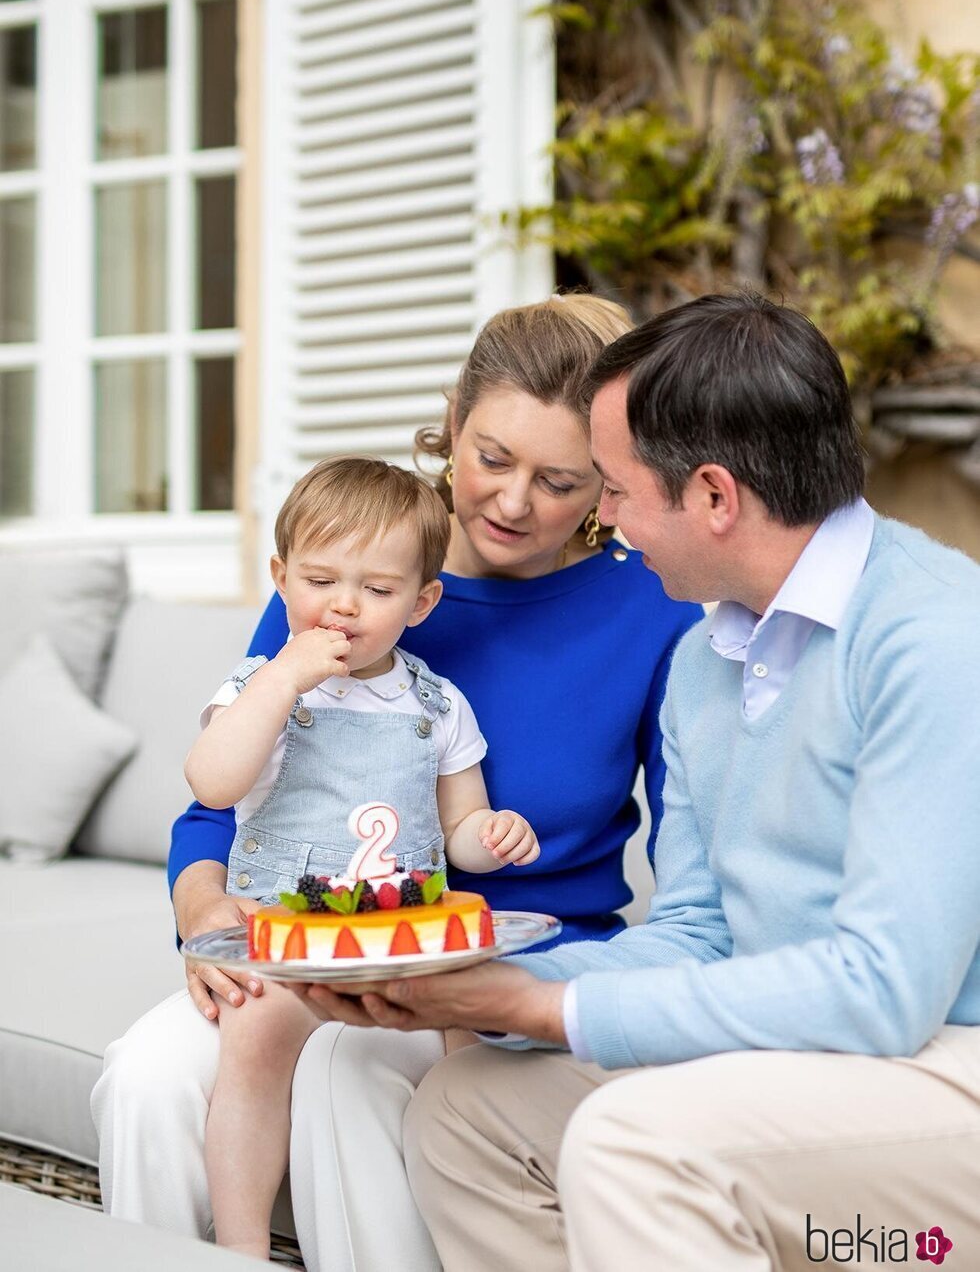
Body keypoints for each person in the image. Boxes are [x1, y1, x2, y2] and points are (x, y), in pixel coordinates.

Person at [292, 292, 980, 1272]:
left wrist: (540, 1008)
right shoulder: (708, 658)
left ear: (710, 496)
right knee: (467, 1108)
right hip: (804, 1047)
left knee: (633, 1142)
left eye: (609, 488)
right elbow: (697, 933)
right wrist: (472, 990)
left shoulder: (934, 640)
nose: (602, 521)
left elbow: (882, 992)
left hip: (945, 1061)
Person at [90, 294, 702, 1272]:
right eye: (491, 458)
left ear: (605, 483)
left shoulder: (652, 609)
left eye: (557, 481)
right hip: (313, 938)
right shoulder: (353, 579)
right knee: (147, 1076)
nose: (510, 502)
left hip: (513, 971)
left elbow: (691, 859)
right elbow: (219, 797)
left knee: (349, 1068)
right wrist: (203, 908)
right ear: (452, 421)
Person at [183, 456, 539, 1260]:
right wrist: (282, 680)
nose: (344, 605)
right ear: (281, 580)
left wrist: (495, 836)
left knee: (472, 1036)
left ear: (421, 603)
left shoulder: (437, 703)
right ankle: (239, 1249)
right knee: (255, 1037)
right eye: (320, 580)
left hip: (400, 941)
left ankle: (467, 1234)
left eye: (377, 591)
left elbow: (462, 828)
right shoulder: (260, 682)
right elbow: (211, 779)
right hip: (285, 937)